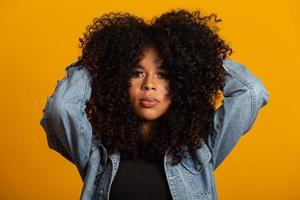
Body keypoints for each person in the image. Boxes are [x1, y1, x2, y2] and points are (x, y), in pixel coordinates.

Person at [40, 9, 269, 200]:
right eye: (137, 73)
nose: (149, 84)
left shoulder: (200, 150)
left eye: (163, 74)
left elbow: (250, 92)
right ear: (119, 79)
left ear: (181, 81)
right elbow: (62, 108)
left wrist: (201, 57)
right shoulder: (96, 152)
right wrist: (99, 60)